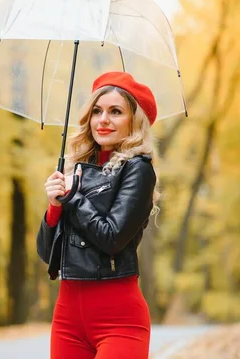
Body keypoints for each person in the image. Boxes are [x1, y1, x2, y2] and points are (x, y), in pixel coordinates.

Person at [36, 71, 160, 359]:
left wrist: (73, 197)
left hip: (119, 319)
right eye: (97, 111)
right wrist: (54, 206)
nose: (103, 120)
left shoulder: (138, 170)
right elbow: (46, 254)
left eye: (115, 111)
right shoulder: (74, 170)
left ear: (134, 121)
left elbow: (112, 237)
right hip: (67, 318)